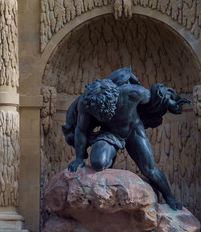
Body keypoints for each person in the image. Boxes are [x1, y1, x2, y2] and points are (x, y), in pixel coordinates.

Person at [62, 67, 190, 210]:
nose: (98, 118)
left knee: (150, 170)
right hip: (109, 134)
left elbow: (154, 97)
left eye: (102, 113)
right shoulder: (85, 103)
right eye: (96, 114)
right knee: (98, 163)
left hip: (133, 131)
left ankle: (169, 198)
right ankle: (106, 187)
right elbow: (81, 129)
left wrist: (171, 103)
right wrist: (79, 158)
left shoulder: (133, 92)